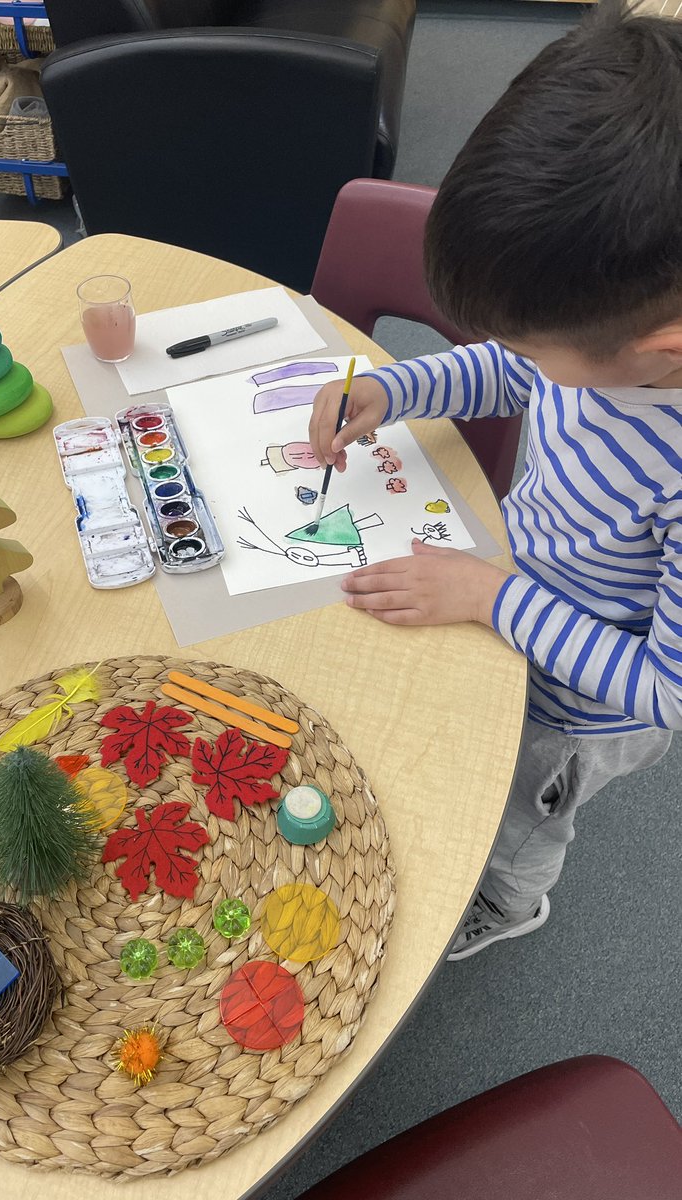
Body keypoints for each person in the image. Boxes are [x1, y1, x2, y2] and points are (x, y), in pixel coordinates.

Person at [308, 0, 682, 960]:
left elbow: (664, 692)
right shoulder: (610, 345)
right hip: (516, 592)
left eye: (535, 345)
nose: (517, 360)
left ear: (659, 353)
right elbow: (517, 369)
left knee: (519, 817)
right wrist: (396, 389)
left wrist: (491, 596)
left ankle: (510, 903)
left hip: (579, 712)